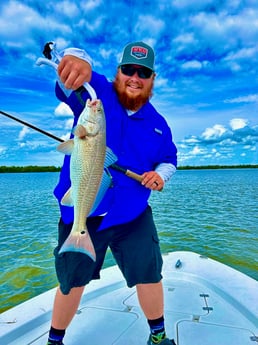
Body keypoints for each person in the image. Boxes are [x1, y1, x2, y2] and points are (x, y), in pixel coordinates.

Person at [46, 41, 177, 345]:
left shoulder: (158, 124)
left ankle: (158, 337)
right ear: (118, 73)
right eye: (128, 69)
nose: (134, 77)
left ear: (152, 79)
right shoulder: (98, 93)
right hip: (81, 211)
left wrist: (161, 175)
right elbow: (71, 77)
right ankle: (54, 341)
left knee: (149, 274)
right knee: (71, 282)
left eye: (142, 72)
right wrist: (76, 61)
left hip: (132, 215)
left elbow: (169, 158)